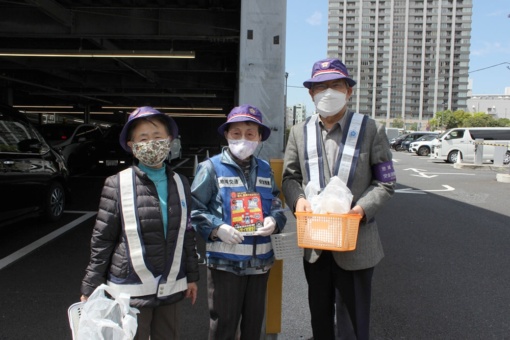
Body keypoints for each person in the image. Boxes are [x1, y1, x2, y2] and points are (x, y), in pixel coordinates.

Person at [282, 58, 396, 340]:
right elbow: (289, 178)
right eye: (320, 87)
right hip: (316, 244)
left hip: (356, 242)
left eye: (335, 85)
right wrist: (297, 201)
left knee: (355, 323)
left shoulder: (371, 129)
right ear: (310, 93)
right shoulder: (299, 131)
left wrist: (359, 211)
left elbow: (386, 181)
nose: (327, 92)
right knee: (320, 318)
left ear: (349, 91)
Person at [80, 106, 199, 340]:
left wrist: (192, 276)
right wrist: (91, 285)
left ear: (169, 141)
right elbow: (103, 239)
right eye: (143, 138)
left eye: (157, 137)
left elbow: (187, 232)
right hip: (129, 288)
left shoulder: (181, 182)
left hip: (171, 284)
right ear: (133, 147)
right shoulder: (117, 183)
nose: (151, 144)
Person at [191, 104, 287, 340]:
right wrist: (217, 228)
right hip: (225, 264)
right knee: (224, 326)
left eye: (250, 134)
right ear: (227, 135)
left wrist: (275, 220)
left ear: (259, 138)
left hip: (260, 264)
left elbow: (275, 202)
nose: (243, 139)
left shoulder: (265, 169)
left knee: (253, 328)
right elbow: (195, 209)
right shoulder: (210, 168)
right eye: (236, 133)